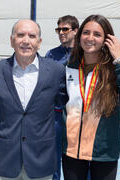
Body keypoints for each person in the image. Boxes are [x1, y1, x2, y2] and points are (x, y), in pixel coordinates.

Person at [62, 14, 120, 180]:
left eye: (97, 34)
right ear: (79, 36)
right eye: (86, 32)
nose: (90, 38)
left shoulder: (115, 69)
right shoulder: (69, 67)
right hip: (71, 149)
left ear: (107, 39)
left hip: (104, 151)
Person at [0, 19, 67, 180]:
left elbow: (68, 102)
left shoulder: (56, 71)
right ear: (12, 41)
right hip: (6, 160)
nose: (26, 40)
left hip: (41, 160)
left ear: (39, 42)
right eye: (20, 35)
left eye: (32, 36)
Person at [45, 15, 79, 180]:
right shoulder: (51, 54)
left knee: (77, 159)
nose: (61, 32)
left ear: (75, 31)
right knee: (53, 159)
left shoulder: (85, 53)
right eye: (58, 29)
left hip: (79, 116)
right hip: (56, 116)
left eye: (65, 29)